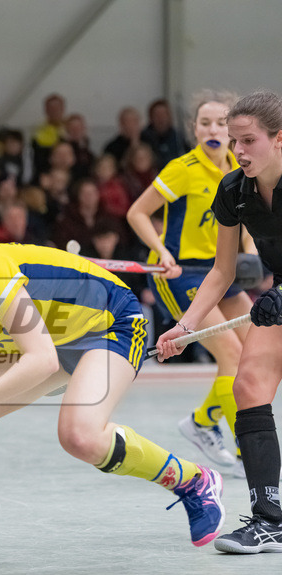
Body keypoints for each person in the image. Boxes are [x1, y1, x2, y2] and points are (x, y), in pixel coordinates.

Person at [0, 214, 224, 575]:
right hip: (42, 337)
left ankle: (194, 481)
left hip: (108, 321)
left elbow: (42, 360)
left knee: (80, 436)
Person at [156, 90, 282, 553]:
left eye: (248, 141)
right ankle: (270, 518)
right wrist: (185, 327)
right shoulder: (233, 190)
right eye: (235, 141)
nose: (238, 151)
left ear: (279, 139)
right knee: (249, 386)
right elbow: (222, 271)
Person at [128, 92, 251, 472]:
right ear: (193, 129)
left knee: (257, 351)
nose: (212, 130)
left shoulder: (238, 166)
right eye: (205, 123)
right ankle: (251, 449)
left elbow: (244, 220)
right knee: (230, 354)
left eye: (220, 123)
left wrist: (250, 251)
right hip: (179, 273)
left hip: (222, 270)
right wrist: (160, 250)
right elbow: (138, 213)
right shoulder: (183, 168)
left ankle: (201, 422)